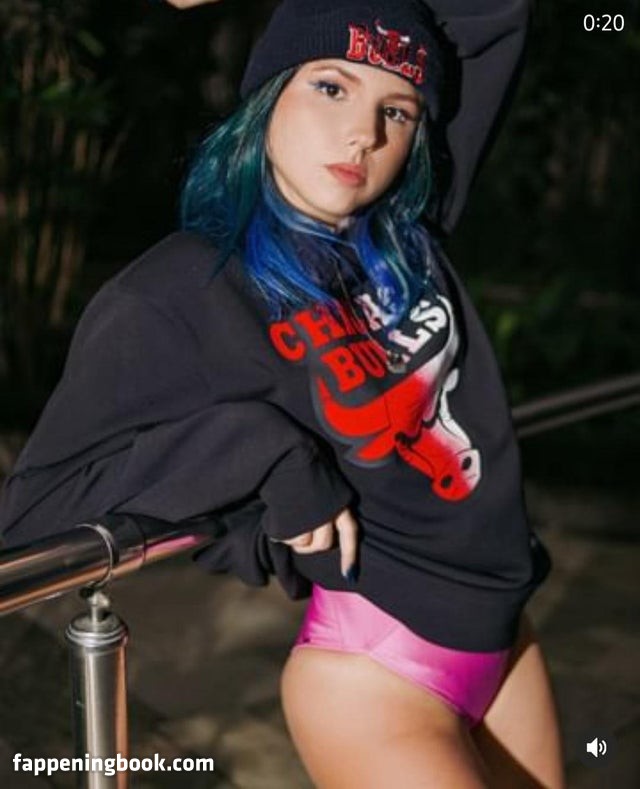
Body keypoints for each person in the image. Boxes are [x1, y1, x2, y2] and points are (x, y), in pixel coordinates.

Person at [0, 1, 566, 786]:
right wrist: (264, 452)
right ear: (269, 95)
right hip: (376, 674)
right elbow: (36, 510)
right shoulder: (184, 289)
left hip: (505, 630)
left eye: (397, 111)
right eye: (330, 87)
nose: (363, 134)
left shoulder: (411, 232)